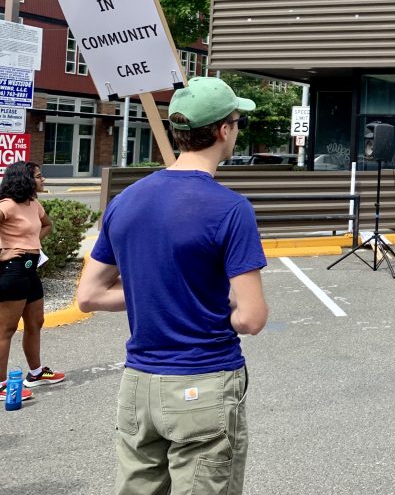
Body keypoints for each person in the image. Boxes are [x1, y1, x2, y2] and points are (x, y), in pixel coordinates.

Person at [77, 77, 269, 495]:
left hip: (138, 387)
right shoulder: (231, 209)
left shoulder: (125, 200)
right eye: (237, 122)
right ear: (223, 130)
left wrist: (156, 290)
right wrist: (203, 302)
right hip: (205, 381)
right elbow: (252, 318)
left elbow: (88, 296)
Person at [0, 161, 63, 403]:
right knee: (5, 330)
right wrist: (2, 253)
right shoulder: (7, 205)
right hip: (11, 271)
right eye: (38, 176)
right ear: (24, 179)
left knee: (36, 322)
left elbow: (47, 225)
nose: (43, 179)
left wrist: (30, 242)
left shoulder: (33, 204)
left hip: (30, 268)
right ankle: (1, 384)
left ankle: (36, 373)